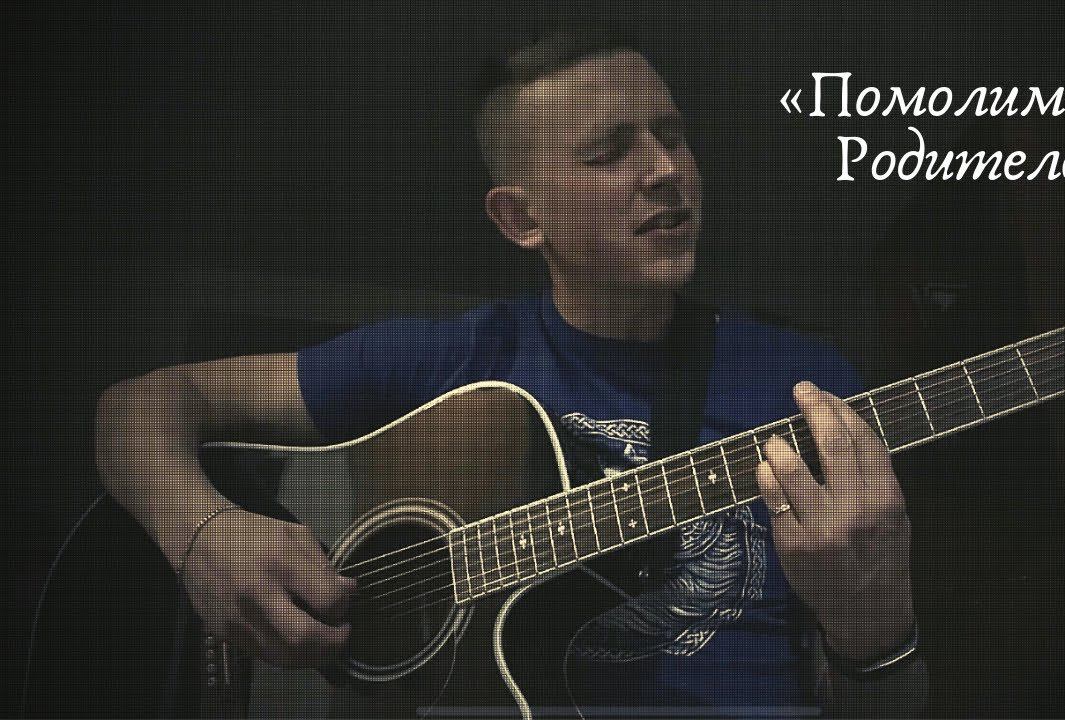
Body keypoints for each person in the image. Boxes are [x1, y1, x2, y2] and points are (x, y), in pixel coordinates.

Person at [95, 28, 925, 718]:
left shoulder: (805, 384)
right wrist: (202, 532)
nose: (666, 169)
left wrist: (875, 626)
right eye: (609, 152)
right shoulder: (447, 361)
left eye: (672, 134)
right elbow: (139, 404)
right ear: (521, 217)